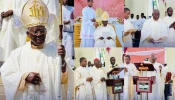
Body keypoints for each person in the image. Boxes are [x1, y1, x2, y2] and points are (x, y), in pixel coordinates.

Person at [0, 0, 67, 99]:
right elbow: (6, 73)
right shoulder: (17, 54)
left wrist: (62, 61)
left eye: (42, 31)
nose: (39, 35)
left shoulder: (55, 52)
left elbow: (63, 79)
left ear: (46, 32)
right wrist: (24, 77)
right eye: (35, 32)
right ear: (28, 34)